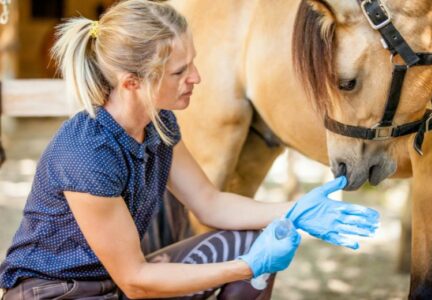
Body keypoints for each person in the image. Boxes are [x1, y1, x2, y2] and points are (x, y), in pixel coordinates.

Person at [0, 1, 380, 299]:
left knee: (251, 239)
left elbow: (209, 203)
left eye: (193, 62)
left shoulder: (159, 123)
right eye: (180, 71)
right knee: (249, 257)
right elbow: (136, 280)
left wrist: (297, 211)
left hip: (114, 287)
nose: (196, 77)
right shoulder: (86, 154)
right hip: (59, 293)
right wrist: (247, 268)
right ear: (133, 82)